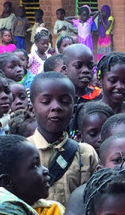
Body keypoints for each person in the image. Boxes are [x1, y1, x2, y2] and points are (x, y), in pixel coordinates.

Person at [27, 72, 99, 206]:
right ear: (32, 109)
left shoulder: (85, 153)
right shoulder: (21, 153)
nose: (56, 107)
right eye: (46, 101)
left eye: (65, 101)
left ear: (73, 109)